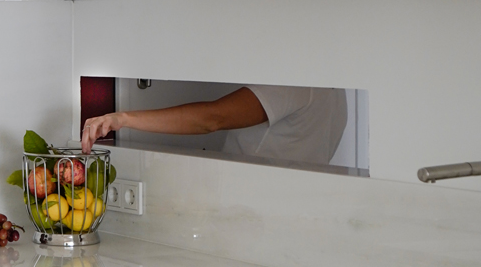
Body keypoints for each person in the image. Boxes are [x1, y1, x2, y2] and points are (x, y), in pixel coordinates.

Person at [81, 85, 349, 167]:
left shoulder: (292, 85)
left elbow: (212, 119)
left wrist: (123, 119)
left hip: (253, 210)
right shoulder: (336, 91)